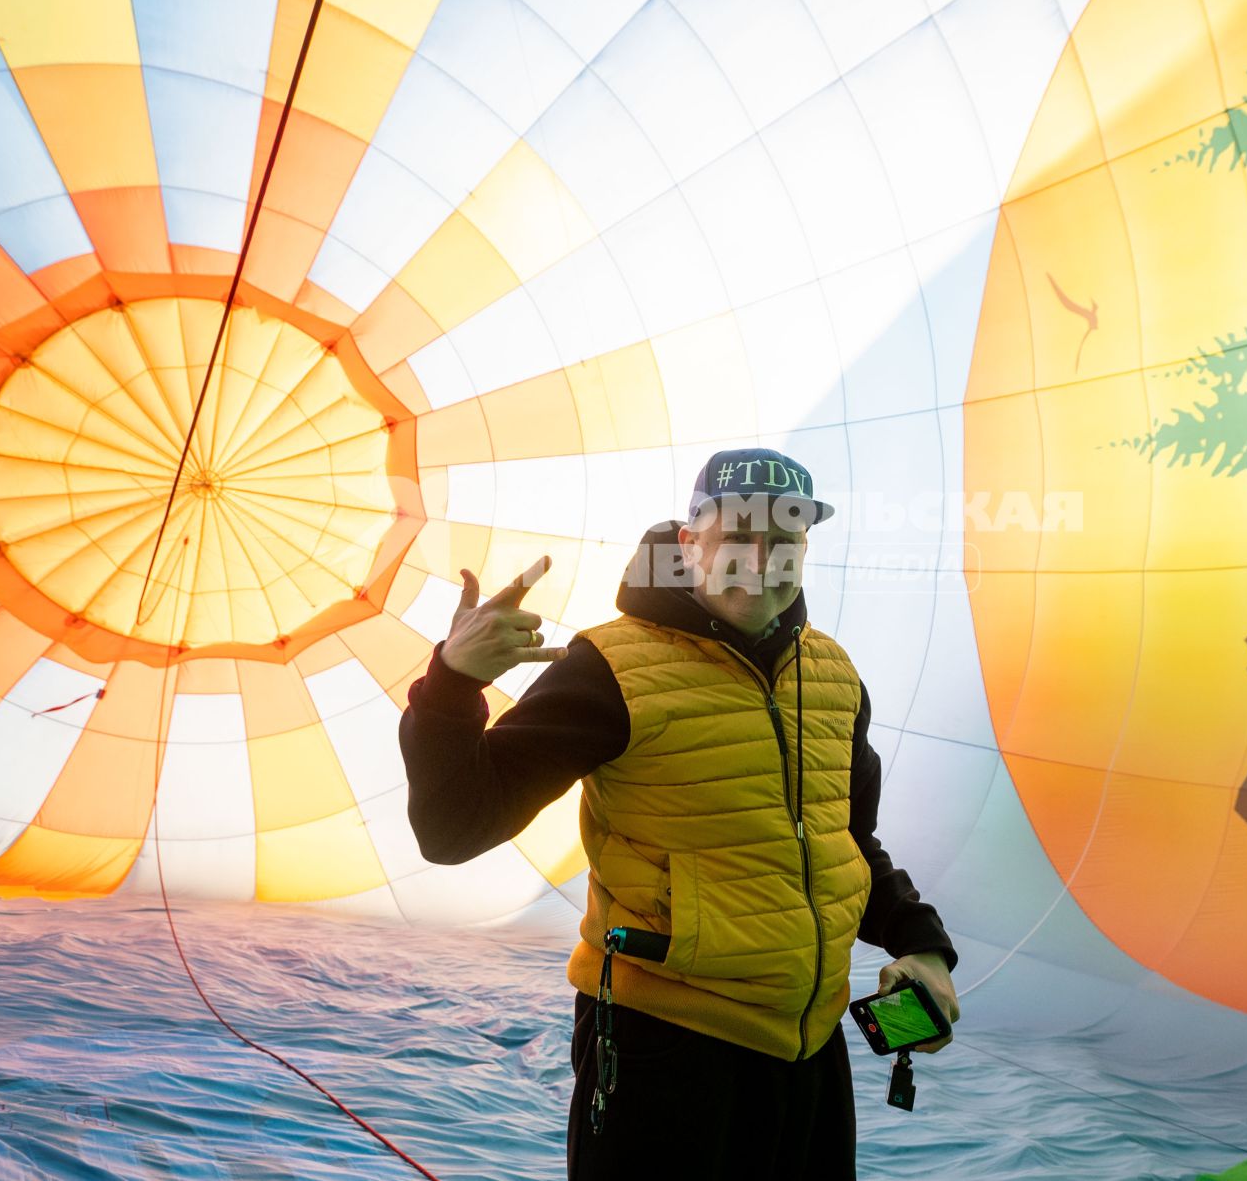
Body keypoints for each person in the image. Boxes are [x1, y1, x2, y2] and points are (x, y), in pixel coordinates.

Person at [398, 447, 960, 1180]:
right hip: (661, 1050)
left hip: (810, 1054)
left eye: (785, 539)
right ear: (690, 542)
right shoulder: (609, 666)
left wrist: (919, 943)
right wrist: (451, 684)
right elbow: (451, 828)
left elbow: (846, 841)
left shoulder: (833, 674)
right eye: (739, 536)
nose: (761, 561)